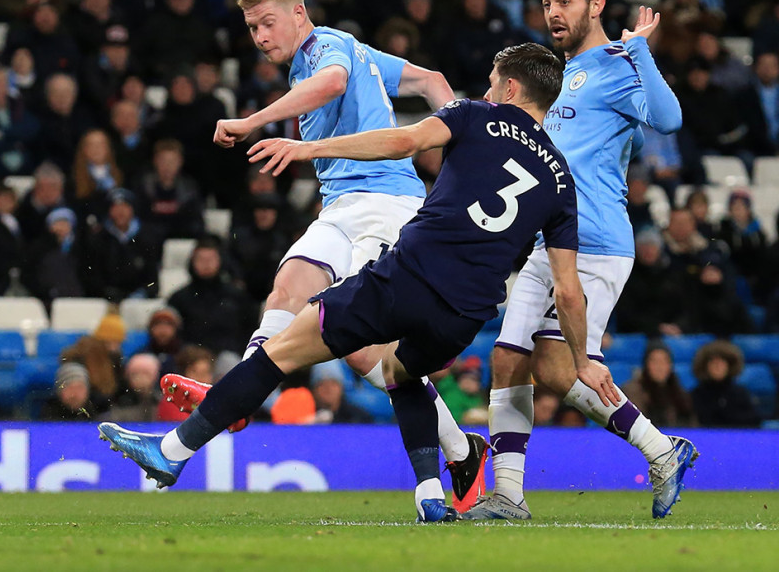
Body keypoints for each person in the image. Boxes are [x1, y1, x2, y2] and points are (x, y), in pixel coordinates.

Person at [100, 42, 603, 524]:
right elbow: (567, 290)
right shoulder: (561, 179)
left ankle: (171, 450)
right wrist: (582, 362)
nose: (488, 91)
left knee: (280, 348)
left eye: (495, 85)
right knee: (399, 372)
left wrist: (309, 147)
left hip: (407, 277)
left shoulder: (475, 114)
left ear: (512, 89)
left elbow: (401, 141)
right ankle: (431, 491)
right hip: (466, 314)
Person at [159, 0, 488, 512]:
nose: (261, 36)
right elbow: (430, 80)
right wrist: (457, 148)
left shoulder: (324, 47)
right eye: (251, 28)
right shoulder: (356, 51)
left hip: (386, 205)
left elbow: (332, 82)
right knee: (288, 288)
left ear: (297, 12)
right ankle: (238, 395)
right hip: (340, 206)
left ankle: (459, 450)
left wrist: (254, 121)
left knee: (364, 351)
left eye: (268, 23)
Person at [473, 0, 695, 522]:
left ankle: (660, 450)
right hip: (547, 241)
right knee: (505, 358)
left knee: (554, 369)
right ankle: (509, 497)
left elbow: (668, 120)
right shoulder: (558, 72)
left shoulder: (619, 64)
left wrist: (640, 47)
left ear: (596, 5)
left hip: (596, 241)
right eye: (547, 0)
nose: (553, 11)